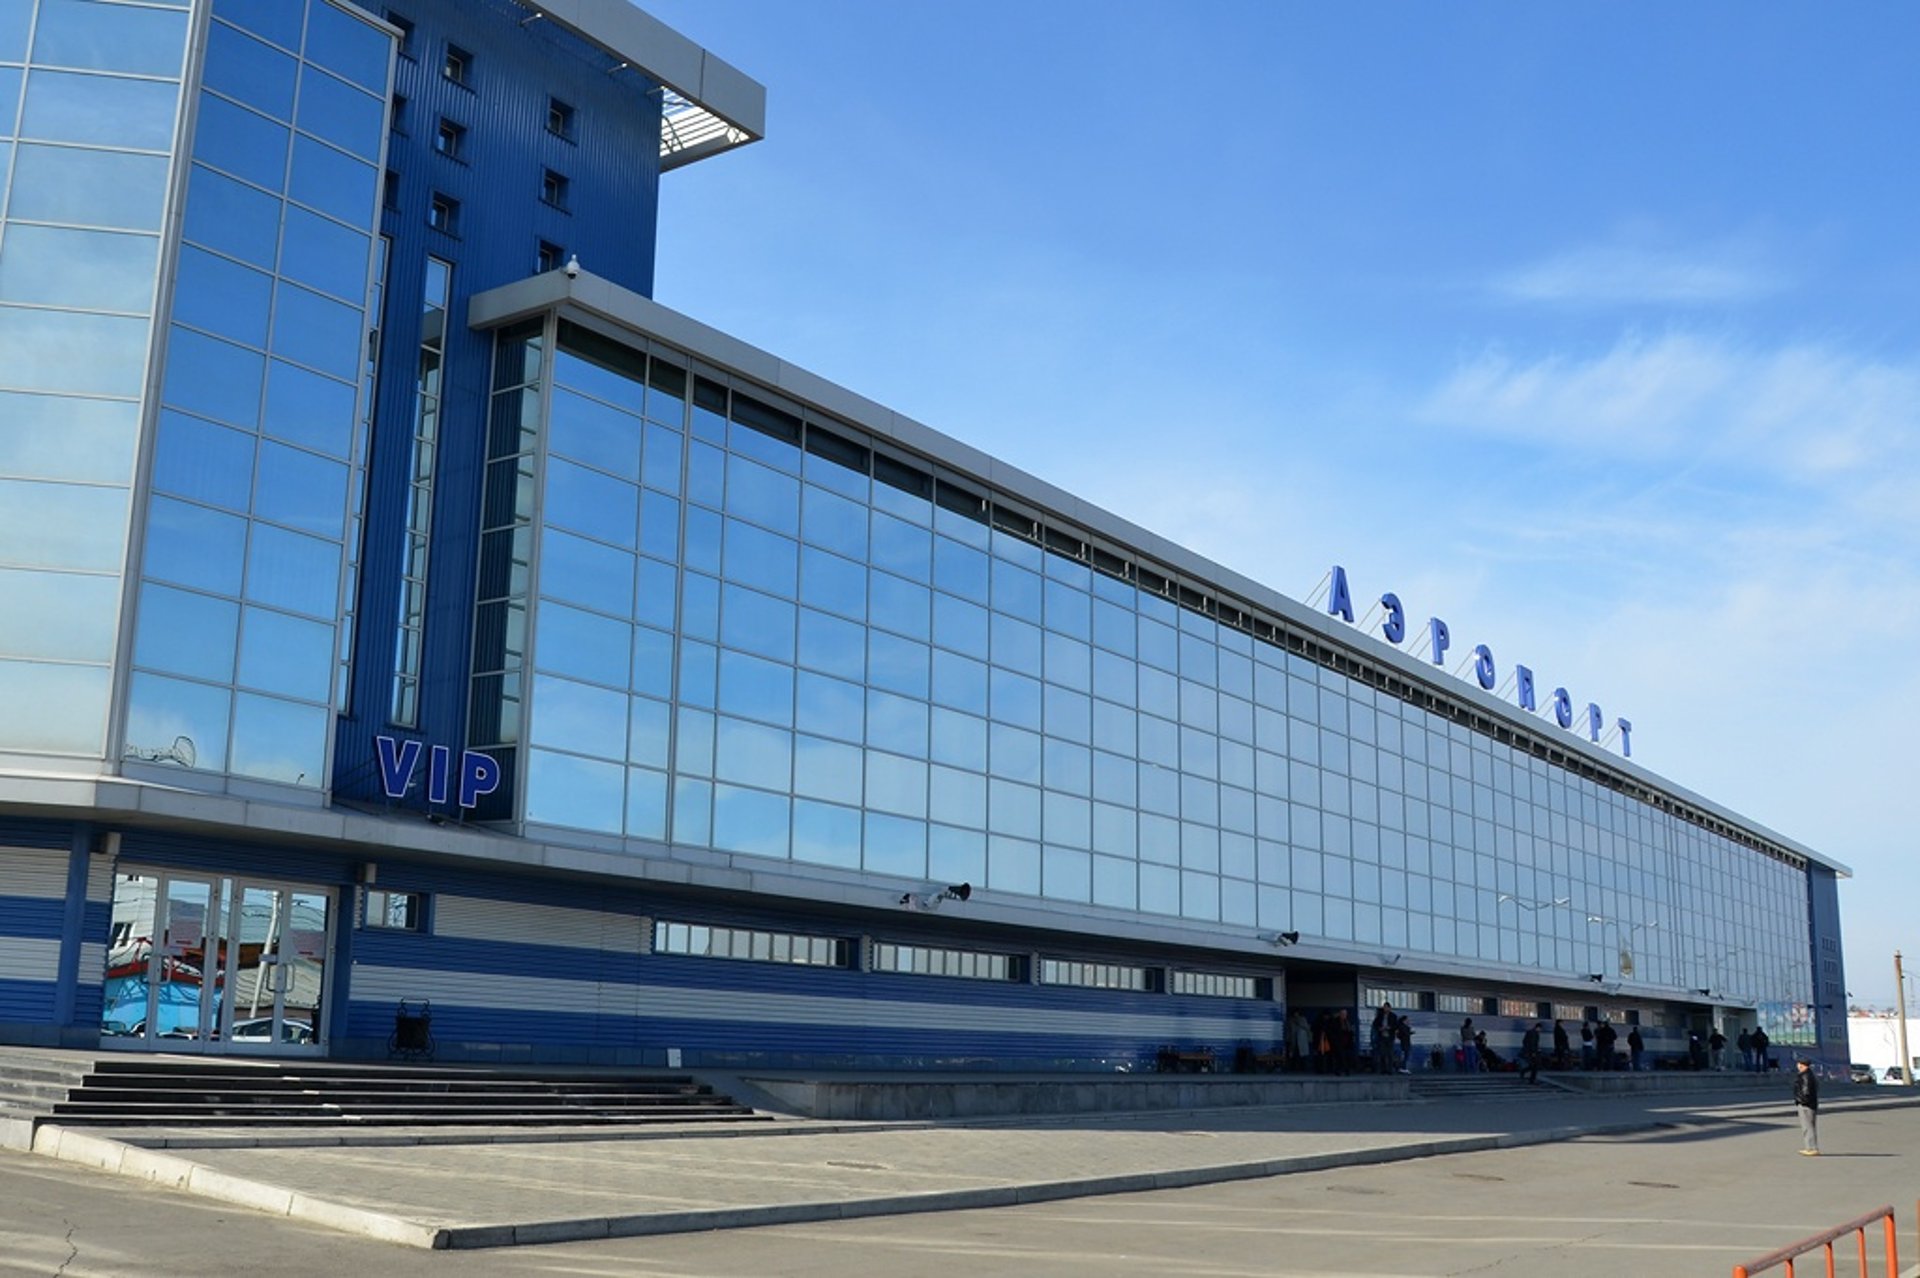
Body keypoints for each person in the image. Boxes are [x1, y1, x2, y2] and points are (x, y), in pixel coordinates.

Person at [1793, 1057, 1820, 1155]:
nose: (1797, 1065)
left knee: (1808, 1126)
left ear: (1802, 1065)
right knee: (1808, 1126)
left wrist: (1802, 1101)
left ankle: (1812, 1148)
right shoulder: (1808, 1074)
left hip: (1806, 1105)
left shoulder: (1806, 1076)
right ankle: (1809, 1147)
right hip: (1808, 1103)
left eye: (1799, 1063)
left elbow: (1806, 1091)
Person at [1372, 1002, 1394, 1074]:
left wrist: (1389, 1027)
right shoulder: (1380, 1016)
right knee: (1382, 1053)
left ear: (1390, 1008)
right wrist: (1379, 1028)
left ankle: (1390, 1070)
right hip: (1382, 1037)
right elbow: (1375, 1024)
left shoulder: (1393, 1016)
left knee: (1390, 1054)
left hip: (1390, 1037)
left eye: (1387, 1007)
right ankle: (1383, 1069)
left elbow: (1395, 1025)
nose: (1385, 1009)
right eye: (1384, 1007)